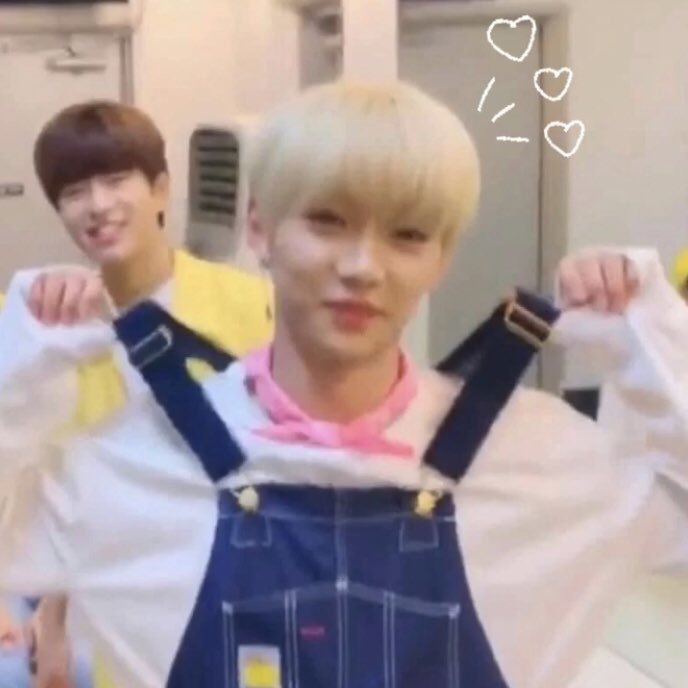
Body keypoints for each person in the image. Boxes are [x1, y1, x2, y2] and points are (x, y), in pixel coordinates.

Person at [0, 80, 686, 688]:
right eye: (328, 220)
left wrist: (650, 336)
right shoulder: (139, 464)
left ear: (442, 259)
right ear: (260, 228)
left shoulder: (530, 459)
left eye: (408, 234)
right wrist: (22, 364)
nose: (363, 266)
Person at [12, 100, 274, 688]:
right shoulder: (54, 327)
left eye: (115, 180)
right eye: (74, 192)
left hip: (242, 583)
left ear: (160, 189)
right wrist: (53, 619)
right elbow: (59, 490)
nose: (97, 205)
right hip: (118, 615)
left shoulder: (251, 306)